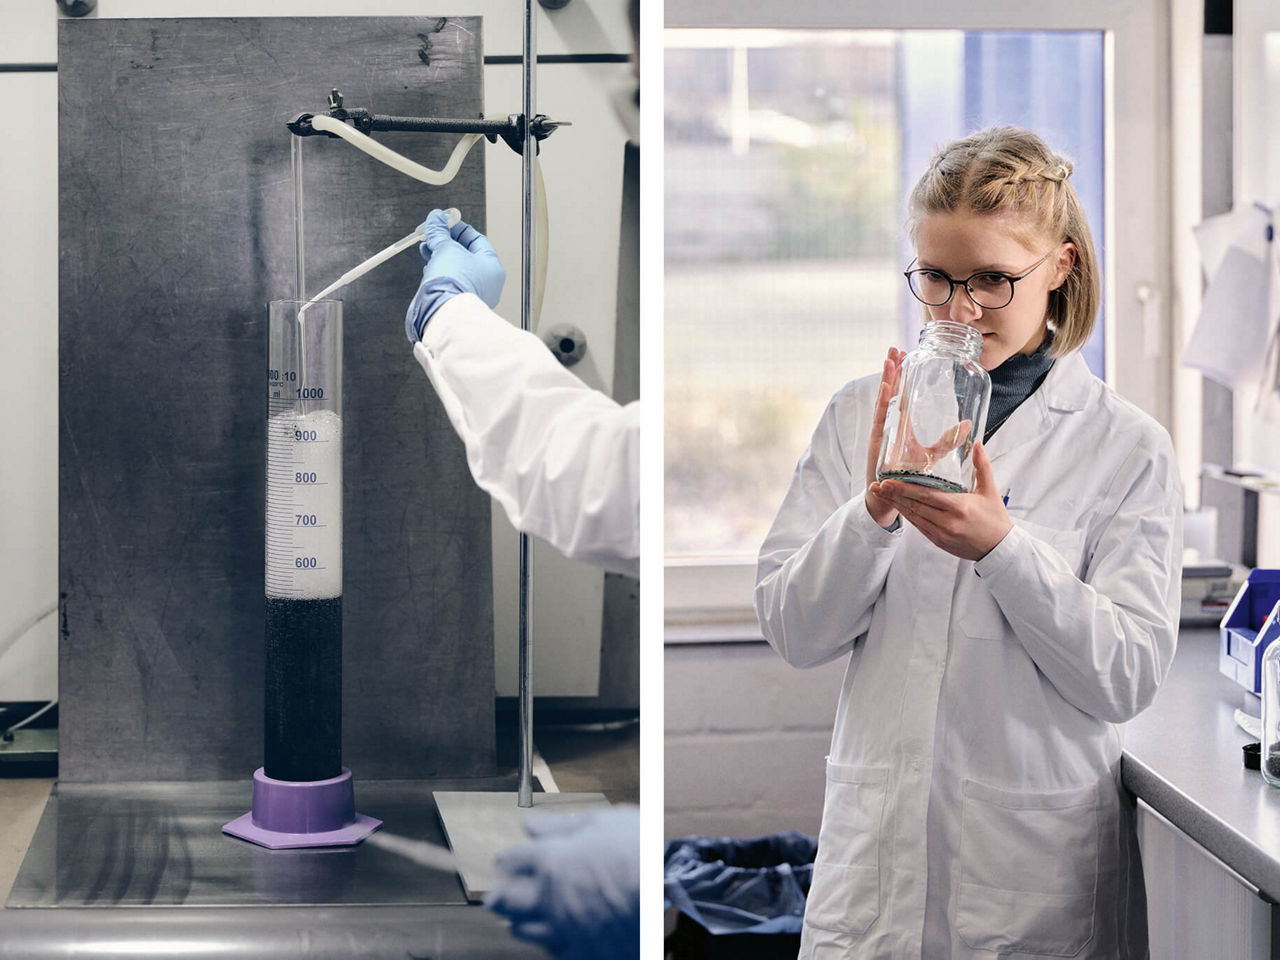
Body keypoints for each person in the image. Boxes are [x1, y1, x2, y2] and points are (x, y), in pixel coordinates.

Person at [754, 125, 1182, 959]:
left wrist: (1002, 549)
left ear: (1060, 268)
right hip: (873, 878)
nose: (960, 309)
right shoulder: (860, 415)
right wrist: (873, 511)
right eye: (936, 279)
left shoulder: (1126, 447)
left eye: (993, 278)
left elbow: (1127, 675)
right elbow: (793, 630)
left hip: (1030, 878)